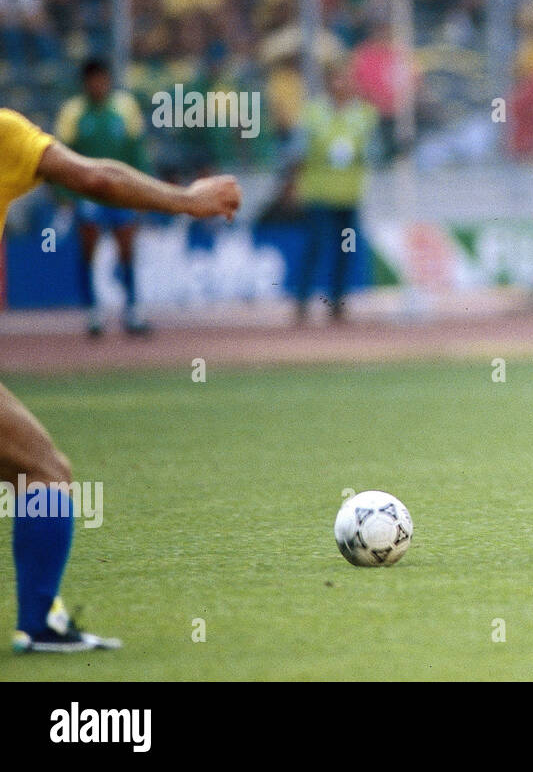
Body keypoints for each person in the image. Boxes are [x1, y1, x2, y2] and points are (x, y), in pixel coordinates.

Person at [2, 106, 241, 652]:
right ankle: (40, 625)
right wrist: (186, 199)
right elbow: (94, 178)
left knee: (30, 472)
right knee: (44, 473)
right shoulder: (4, 133)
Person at [54, 59, 151, 335]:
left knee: (127, 249)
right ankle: (93, 312)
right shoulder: (72, 112)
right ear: (85, 83)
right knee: (88, 251)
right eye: (92, 79)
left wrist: (144, 191)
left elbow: (138, 153)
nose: (98, 85)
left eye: (102, 79)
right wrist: (65, 194)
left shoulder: (125, 107)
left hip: (121, 191)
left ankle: (132, 310)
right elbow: (59, 156)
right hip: (87, 193)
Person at [289, 61, 379, 323]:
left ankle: (337, 304)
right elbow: (298, 152)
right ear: (328, 83)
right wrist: (294, 185)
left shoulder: (364, 114)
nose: (341, 85)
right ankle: (302, 302)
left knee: (345, 250)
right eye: (336, 80)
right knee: (315, 248)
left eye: (345, 80)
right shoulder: (313, 113)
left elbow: (374, 151)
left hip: (350, 195)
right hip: (318, 194)